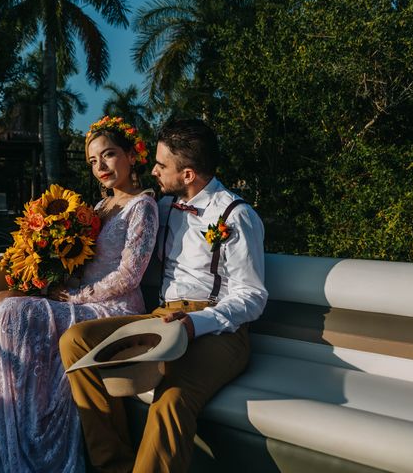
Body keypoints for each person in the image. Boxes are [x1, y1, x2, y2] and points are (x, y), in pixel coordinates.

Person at [0, 116, 159, 472]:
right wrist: (46, 269)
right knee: (2, 300)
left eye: (108, 155)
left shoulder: (143, 207)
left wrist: (74, 297)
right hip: (82, 297)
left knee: (13, 312)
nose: (100, 167)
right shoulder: (99, 208)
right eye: (92, 160)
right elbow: (77, 263)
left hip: (115, 308)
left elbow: (129, 276)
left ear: (131, 156)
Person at [59, 118, 268, 473]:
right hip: (162, 317)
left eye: (161, 165)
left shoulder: (236, 214)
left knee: (171, 401)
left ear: (187, 174)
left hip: (219, 331)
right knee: (76, 342)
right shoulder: (163, 207)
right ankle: (115, 466)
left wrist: (194, 324)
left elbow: (252, 296)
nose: (152, 170)